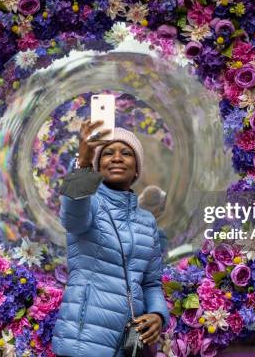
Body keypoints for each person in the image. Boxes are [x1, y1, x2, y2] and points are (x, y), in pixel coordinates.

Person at [51, 121, 170, 357]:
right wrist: (83, 163)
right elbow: (73, 218)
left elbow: (151, 283)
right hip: (84, 344)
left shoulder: (147, 222)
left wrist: (157, 314)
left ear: (137, 168)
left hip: (128, 346)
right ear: (98, 165)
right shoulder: (89, 202)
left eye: (126, 153)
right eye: (107, 153)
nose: (117, 158)